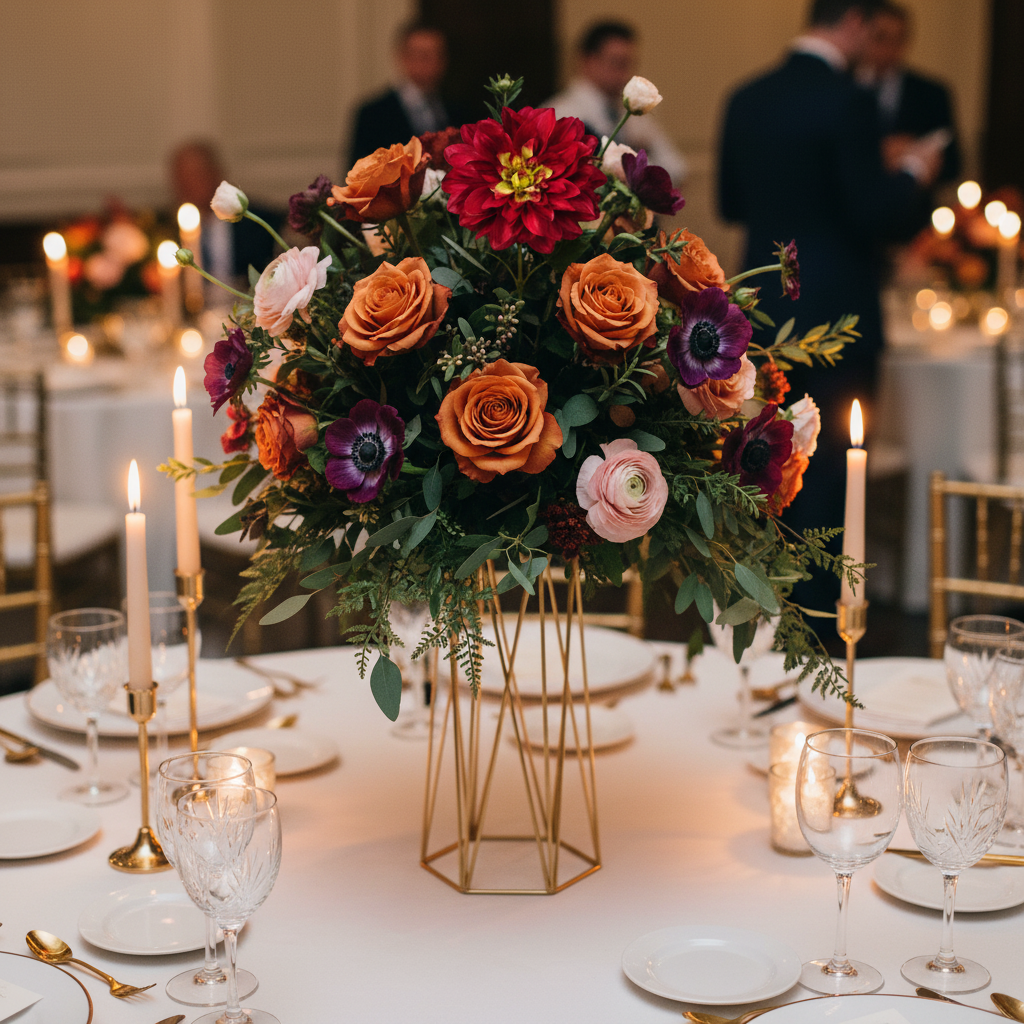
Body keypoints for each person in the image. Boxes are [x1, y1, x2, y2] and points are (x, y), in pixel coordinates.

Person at [718, 0, 940, 611]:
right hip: (837, 306)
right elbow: (875, 213)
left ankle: (761, 605)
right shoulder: (851, 100)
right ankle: (817, 614)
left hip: (761, 306)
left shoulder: (746, 96)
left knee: (761, 455)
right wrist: (913, 173)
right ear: (857, 23)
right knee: (831, 464)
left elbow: (734, 202)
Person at [543, 21, 686, 185]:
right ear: (587, 60)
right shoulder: (557, 114)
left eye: (629, 64)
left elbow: (676, 168)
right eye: (616, 63)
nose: (625, 74)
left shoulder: (632, 112)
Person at [857, 1, 962, 184]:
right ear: (863, 35)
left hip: (911, 205)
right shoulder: (841, 87)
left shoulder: (931, 93)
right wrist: (879, 153)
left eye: (898, 39)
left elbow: (953, 165)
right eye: (880, 37)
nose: (889, 48)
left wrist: (913, 155)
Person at [346, 22, 464, 171]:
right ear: (402, 57)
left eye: (436, 54)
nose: (429, 62)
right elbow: (359, 175)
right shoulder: (373, 113)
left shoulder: (457, 109)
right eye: (422, 55)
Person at [170, 141, 282, 292]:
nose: (190, 184)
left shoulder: (259, 222)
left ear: (216, 172)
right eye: (183, 178)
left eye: (198, 174)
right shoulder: (169, 230)